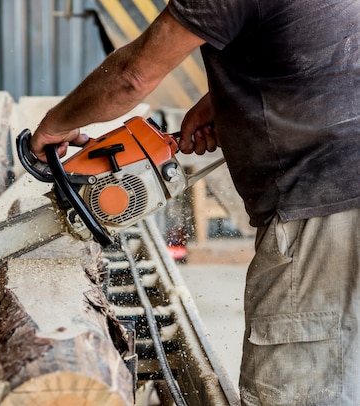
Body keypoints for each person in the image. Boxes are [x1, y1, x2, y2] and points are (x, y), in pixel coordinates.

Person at [29, 1, 360, 405]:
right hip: (341, 187)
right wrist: (232, 96)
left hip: (325, 200)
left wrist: (56, 125)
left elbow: (132, 76)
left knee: (298, 391)